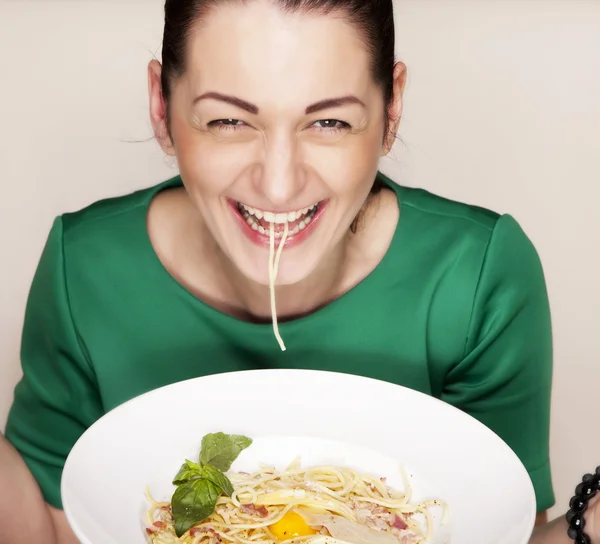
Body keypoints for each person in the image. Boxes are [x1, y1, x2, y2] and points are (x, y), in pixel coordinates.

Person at [0, 0, 558, 542]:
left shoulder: (478, 277)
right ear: (160, 107)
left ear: (391, 111)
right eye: (227, 120)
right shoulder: (85, 267)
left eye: (331, 121)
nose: (278, 185)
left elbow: (497, 528)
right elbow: (53, 529)